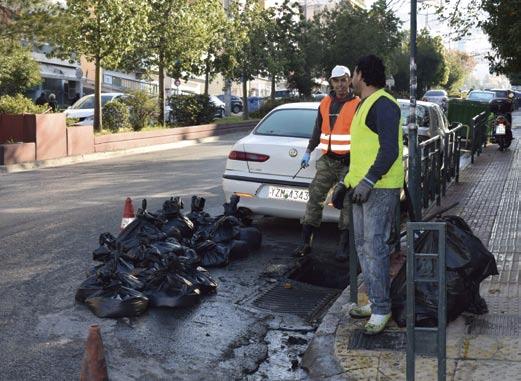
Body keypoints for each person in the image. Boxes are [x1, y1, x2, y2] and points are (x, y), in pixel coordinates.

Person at [343, 55, 403, 335]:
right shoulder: (364, 104)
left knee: (375, 248)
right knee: (363, 247)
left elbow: (390, 150)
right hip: (362, 188)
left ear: (361, 74)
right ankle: (376, 301)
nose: (351, 80)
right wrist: (346, 183)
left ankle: (382, 309)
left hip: (379, 188)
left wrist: (368, 180)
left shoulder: (384, 104)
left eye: (353, 74)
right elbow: (362, 153)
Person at [294, 65, 360, 262]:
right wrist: (308, 151)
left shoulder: (358, 104)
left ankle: (343, 246)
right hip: (328, 160)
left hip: (349, 162)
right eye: (336, 80)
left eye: (343, 80)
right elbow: (317, 130)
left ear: (349, 81)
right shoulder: (324, 103)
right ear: (331, 82)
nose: (340, 84)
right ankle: (306, 243)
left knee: (347, 203)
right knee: (315, 197)